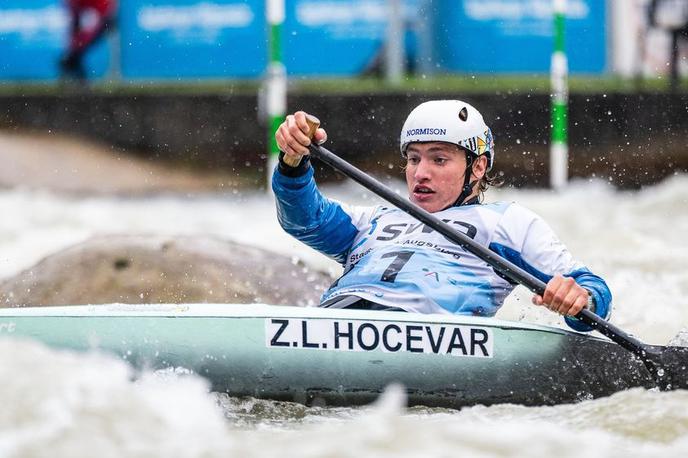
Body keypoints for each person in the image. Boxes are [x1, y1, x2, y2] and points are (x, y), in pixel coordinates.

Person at [272, 100, 611, 332]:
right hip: (336, 319)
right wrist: (293, 160)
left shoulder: (508, 223)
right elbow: (303, 219)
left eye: (439, 160)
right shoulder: (373, 218)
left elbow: (591, 292)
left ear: (477, 167)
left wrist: (580, 299)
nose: (420, 173)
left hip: (431, 333)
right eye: (414, 159)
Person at [59, 0, 117, 81]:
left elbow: (105, 10)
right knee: (74, 54)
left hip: (99, 17)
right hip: (84, 15)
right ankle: (75, 74)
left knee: (75, 54)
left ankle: (75, 71)